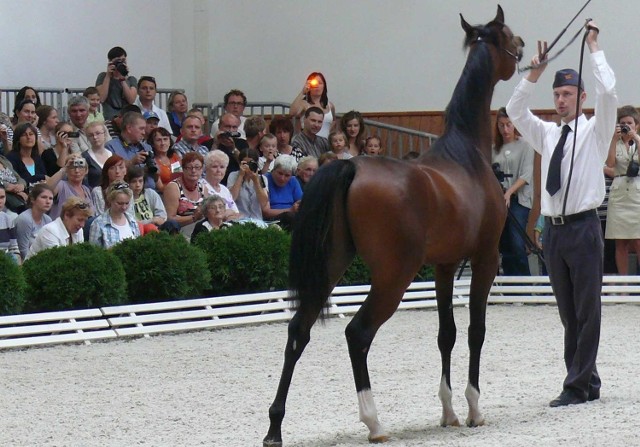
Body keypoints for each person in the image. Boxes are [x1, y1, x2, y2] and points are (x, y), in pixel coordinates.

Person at [506, 21, 616, 407]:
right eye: (557, 94)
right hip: (554, 232)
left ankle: (576, 385)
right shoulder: (548, 134)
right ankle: (589, 380)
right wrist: (533, 73)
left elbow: (610, 94)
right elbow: (513, 109)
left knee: (588, 311)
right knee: (569, 316)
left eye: (568, 94)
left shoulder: (596, 131)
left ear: (581, 96)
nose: (561, 100)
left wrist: (594, 46)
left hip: (584, 227)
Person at [491, 107, 534, 276]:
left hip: (519, 199)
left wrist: (509, 192)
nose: (505, 129)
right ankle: (511, 285)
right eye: (502, 125)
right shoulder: (494, 149)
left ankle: (525, 286)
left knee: (517, 242)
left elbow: (526, 175)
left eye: (509, 125)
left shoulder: (525, 145)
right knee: (504, 243)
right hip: (499, 200)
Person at [604, 105, 640, 274]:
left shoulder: (638, 141)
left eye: (630, 123)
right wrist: (613, 139)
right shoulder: (615, 142)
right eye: (623, 123)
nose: (626, 126)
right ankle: (623, 287)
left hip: (637, 194)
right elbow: (610, 164)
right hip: (618, 194)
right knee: (620, 244)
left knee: (638, 242)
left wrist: (636, 138)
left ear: (636, 124)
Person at [26, 196, 92, 259]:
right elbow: (58, 262)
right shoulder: (50, 231)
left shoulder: (79, 231)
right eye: (80, 220)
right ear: (67, 215)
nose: (82, 225)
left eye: (84, 221)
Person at [162, 152, 209, 238]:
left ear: (202, 169)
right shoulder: (173, 187)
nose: (193, 171)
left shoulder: (203, 188)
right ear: (183, 169)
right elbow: (170, 220)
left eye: (197, 167)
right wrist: (193, 218)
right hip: (180, 232)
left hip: (202, 229)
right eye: (189, 167)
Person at [105, 111, 155, 190]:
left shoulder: (147, 147)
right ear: (129, 128)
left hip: (150, 193)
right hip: (124, 192)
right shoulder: (111, 147)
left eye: (144, 129)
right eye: (141, 129)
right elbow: (111, 173)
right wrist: (131, 162)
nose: (144, 132)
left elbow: (156, 176)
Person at [89, 180, 140, 248]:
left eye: (127, 203)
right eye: (119, 203)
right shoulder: (98, 224)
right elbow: (93, 252)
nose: (124, 207)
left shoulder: (132, 221)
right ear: (110, 200)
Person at [46, 154, 96, 221]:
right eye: (72, 167)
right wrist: (64, 169)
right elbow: (46, 189)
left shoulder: (86, 190)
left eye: (80, 167)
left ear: (86, 170)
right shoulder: (61, 185)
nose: (77, 171)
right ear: (67, 170)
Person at [96, 46, 137, 120]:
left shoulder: (131, 79)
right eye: (118, 61)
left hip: (126, 118)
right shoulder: (103, 77)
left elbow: (131, 100)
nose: (121, 63)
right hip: (109, 118)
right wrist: (108, 75)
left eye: (123, 61)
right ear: (110, 62)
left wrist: (122, 79)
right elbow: (101, 98)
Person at [227, 148, 269, 222]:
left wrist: (255, 180)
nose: (248, 166)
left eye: (250, 163)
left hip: (257, 220)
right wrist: (240, 176)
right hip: (239, 220)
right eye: (245, 163)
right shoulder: (233, 176)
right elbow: (231, 199)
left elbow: (264, 203)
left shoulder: (262, 178)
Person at [262, 154, 302, 230]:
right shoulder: (265, 179)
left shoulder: (293, 181)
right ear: (273, 170)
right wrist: (290, 210)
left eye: (287, 175)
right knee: (289, 216)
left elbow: (301, 202)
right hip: (272, 220)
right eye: (280, 173)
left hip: (292, 217)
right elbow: (265, 213)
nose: (282, 178)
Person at [290, 72, 335, 138]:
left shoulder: (330, 105)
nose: (317, 86)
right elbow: (292, 113)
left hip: (326, 143)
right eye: (314, 83)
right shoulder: (304, 103)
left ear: (324, 86)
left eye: (320, 83)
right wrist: (303, 92)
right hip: (308, 143)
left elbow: (334, 121)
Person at [15, 183, 54, 260]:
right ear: (33, 199)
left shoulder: (48, 219)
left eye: (51, 198)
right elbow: (23, 250)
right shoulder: (25, 219)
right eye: (44, 197)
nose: (48, 201)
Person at [126, 166, 168, 234]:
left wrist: (158, 220)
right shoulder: (126, 200)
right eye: (134, 182)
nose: (138, 185)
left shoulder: (150, 193)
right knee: (150, 228)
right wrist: (151, 221)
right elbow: (131, 221)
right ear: (128, 183)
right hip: (139, 229)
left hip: (157, 225)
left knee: (173, 224)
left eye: (140, 181)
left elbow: (162, 213)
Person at [203, 150, 241, 221]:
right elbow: (212, 214)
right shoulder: (202, 186)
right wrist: (228, 214)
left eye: (222, 167)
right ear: (206, 168)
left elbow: (237, 213)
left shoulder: (224, 189)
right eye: (214, 167)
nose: (218, 170)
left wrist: (228, 214)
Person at [7, 122, 46, 186]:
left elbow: (45, 177)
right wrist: (39, 177)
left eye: (31, 134)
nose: (28, 137)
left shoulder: (37, 158)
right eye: (24, 135)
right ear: (18, 139)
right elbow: (16, 180)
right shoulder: (11, 158)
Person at [147, 127, 181, 193]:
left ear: (170, 141)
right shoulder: (152, 161)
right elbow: (160, 188)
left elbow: (179, 177)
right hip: (163, 194)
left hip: (179, 191)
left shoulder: (174, 157)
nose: (163, 143)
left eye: (165, 139)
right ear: (152, 143)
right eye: (158, 140)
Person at [82, 121, 113, 188]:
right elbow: (84, 183)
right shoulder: (85, 157)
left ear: (104, 134)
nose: (95, 137)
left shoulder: (112, 154)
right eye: (91, 135)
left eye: (98, 133)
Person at [0, 184, 21, 263]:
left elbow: (14, 248)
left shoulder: (7, 219)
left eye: (2, 197)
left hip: (6, 264)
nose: (0, 201)